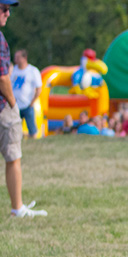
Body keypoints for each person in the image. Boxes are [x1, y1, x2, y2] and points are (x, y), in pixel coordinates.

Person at [0, 0, 45, 217]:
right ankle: (17, 208)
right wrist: (13, 103)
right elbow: (2, 79)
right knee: (13, 156)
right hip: (3, 108)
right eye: (4, 9)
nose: (8, 14)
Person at [10, 49, 41, 138]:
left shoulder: (32, 70)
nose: (15, 59)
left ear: (24, 58)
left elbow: (39, 88)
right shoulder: (13, 70)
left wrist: (32, 102)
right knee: (13, 130)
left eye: (18, 57)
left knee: (32, 129)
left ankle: (33, 143)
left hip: (27, 105)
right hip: (15, 105)